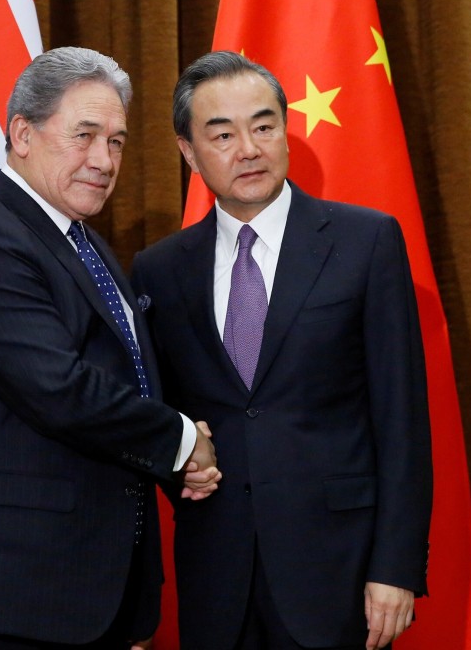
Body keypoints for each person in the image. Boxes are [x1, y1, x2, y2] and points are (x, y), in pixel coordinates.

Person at [0, 46, 220, 650]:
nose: (103, 159)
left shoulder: (84, 244)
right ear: (22, 133)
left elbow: (129, 378)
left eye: (116, 141)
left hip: (83, 593)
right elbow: (59, 389)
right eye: (84, 135)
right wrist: (181, 442)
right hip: (3, 596)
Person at [130, 51, 433, 650]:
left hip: (339, 576)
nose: (248, 148)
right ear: (189, 153)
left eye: (264, 126)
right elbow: (162, 416)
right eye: (222, 133)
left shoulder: (364, 242)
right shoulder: (158, 270)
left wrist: (395, 567)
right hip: (216, 577)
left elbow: (402, 418)